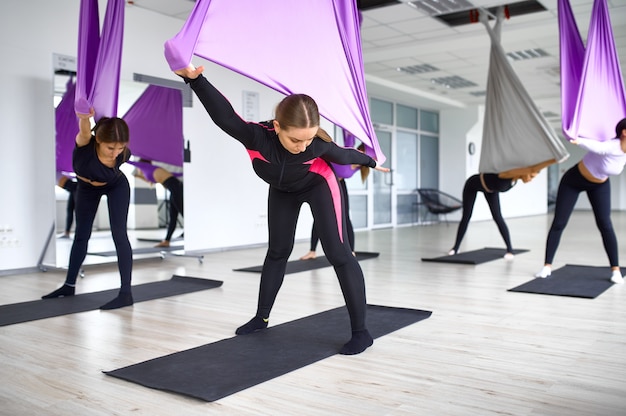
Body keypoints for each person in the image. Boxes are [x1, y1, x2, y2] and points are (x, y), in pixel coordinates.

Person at [174, 64, 389, 355]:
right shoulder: (256, 137)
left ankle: (361, 333)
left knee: (339, 253)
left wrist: (371, 162)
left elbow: (343, 154)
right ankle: (261, 317)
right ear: (277, 127)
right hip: (282, 190)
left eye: (309, 139)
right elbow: (224, 116)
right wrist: (196, 80)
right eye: (296, 139)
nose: (303, 147)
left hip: (318, 184)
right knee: (277, 251)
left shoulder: (316, 147)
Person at [42, 108, 135, 310]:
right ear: (99, 140)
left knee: (119, 234)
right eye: (111, 148)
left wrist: (117, 151)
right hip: (86, 188)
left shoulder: (122, 153)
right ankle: (69, 285)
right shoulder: (86, 144)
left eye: (121, 148)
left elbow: (119, 153)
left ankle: (125, 293)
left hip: (116, 186)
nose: (116, 153)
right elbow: (84, 130)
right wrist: (85, 116)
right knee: (81, 235)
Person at [535, 118, 626, 284]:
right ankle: (547, 266)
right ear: (624, 133)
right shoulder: (612, 145)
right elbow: (597, 147)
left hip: (599, 185)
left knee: (605, 224)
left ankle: (616, 270)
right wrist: (577, 140)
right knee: (559, 223)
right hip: (574, 181)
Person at [300, 149, 369, 260]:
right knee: (320, 217)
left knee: (345, 217)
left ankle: (351, 250)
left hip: (340, 185)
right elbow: (349, 141)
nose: (360, 154)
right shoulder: (347, 157)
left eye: (364, 154)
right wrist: (349, 135)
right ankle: (312, 251)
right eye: (360, 151)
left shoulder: (360, 167)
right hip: (324, 184)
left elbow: (374, 160)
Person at [448, 173, 522, 259]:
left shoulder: (513, 182)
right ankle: (455, 248)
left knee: (497, 217)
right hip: (472, 185)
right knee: (466, 216)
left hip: (491, 189)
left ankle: (510, 249)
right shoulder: (504, 176)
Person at [131, 160, 184, 248]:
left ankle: (197, 235)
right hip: (176, 189)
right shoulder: (150, 171)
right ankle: (166, 241)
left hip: (176, 189)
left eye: (138, 167)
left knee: (183, 214)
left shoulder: (149, 170)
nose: (137, 170)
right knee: (173, 217)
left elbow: (135, 173)